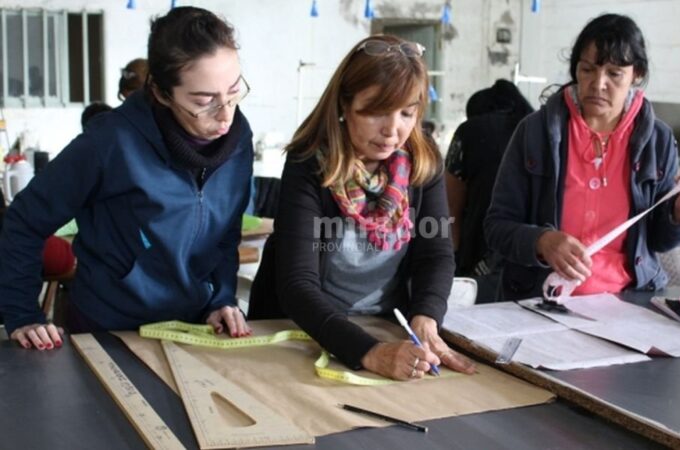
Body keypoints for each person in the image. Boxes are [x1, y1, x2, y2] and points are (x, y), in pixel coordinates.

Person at [0, 6, 254, 350]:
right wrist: (22, 314)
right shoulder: (110, 142)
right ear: (162, 93)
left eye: (234, 91)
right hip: (109, 330)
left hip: (194, 329)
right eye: (204, 101)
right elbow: (23, 221)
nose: (225, 115)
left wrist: (222, 298)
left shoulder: (238, 141)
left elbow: (225, 235)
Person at [247, 35, 475, 381]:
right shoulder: (309, 162)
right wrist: (368, 352)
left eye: (407, 113)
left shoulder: (422, 159)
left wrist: (426, 317)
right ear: (344, 103)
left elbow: (436, 254)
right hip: (306, 327)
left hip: (386, 324)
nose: (392, 130)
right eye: (377, 111)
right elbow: (298, 284)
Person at [485, 14, 680, 302]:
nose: (598, 83)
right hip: (542, 300)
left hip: (627, 303)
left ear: (637, 74)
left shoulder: (658, 140)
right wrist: (541, 242)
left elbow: (660, 241)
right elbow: (496, 227)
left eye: (614, 73)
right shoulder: (535, 132)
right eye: (587, 69)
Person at [444, 79, 533, 302]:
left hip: (479, 252)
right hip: (530, 256)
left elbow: (450, 206)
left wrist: (448, 260)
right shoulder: (536, 129)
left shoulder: (469, 131)